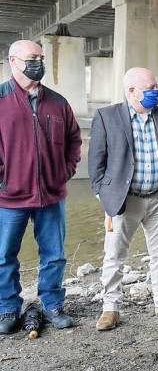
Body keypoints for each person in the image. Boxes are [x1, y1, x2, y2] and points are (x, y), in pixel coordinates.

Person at [88, 67, 158, 331]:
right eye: (150, 88)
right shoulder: (107, 117)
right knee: (114, 255)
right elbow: (95, 163)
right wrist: (104, 196)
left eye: (156, 87)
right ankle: (111, 307)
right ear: (131, 91)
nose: (156, 92)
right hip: (123, 201)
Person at [0, 40, 82, 334]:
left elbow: (74, 140)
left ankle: (52, 304)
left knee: (54, 254)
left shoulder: (58, 102)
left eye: (41, 57)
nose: (38, 62)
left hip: (51, 195)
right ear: (13, 60)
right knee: (4, 255)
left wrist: (65, 171)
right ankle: (7, 308)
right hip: (9, 197)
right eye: (32, 57)